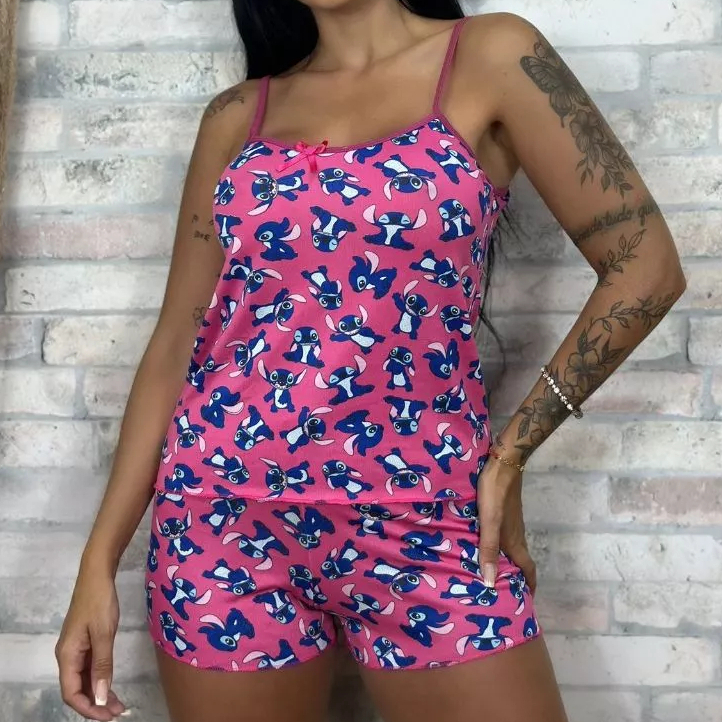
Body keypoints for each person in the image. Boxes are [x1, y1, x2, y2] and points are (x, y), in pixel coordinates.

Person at [55, 2, 687, 721]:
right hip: (220, 527)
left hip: (429, 516)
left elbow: (646, 266)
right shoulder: (237, 117)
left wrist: (511, 454)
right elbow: (179, 340)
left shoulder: (491, 55)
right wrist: (98, 561)